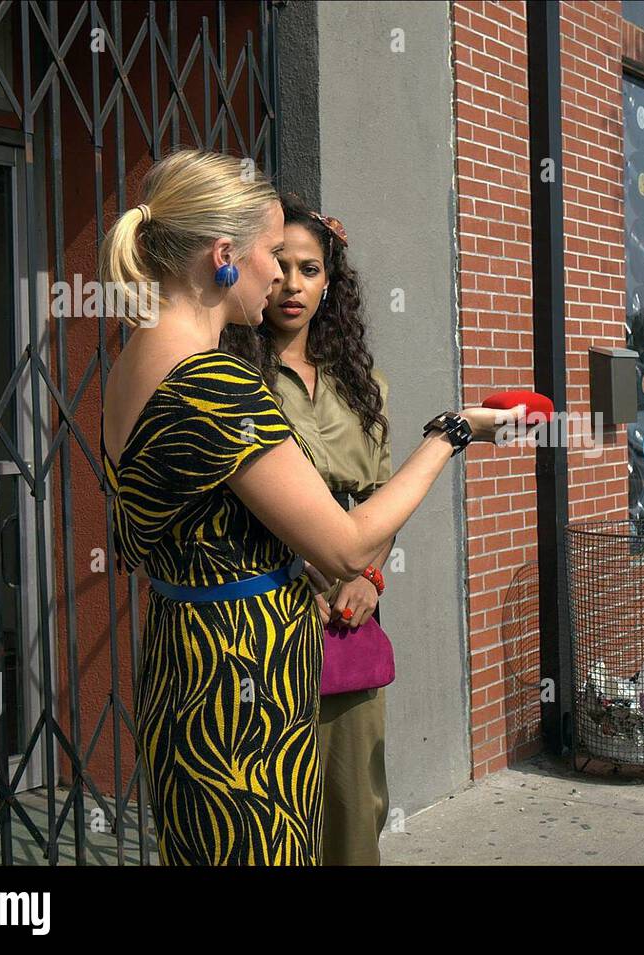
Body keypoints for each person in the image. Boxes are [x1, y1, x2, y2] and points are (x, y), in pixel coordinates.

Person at [98, 149, 520, 865]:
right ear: (225, 256)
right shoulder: (215, 384)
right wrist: (453, 433)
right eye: (269, 253)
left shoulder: (136, 358)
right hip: (241, 682)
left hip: (182, 656)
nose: (278, 274)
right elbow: (347, 545)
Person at [223, 193, 393, 865]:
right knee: (268, 816)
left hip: (351, 621)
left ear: (331, 281)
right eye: (282, 264)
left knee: (355, 813)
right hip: (268, 612)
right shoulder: (232, 374)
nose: (292, 284)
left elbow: (381, 497)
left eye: (311, 269)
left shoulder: (363, 382)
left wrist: (369, 576)